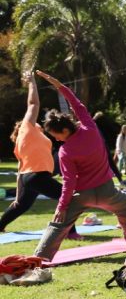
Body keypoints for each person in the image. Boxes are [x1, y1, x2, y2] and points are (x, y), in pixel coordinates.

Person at [31, 70, 126, 261]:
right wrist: (58, 84)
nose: (55, 139)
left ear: (64, 130)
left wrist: (61, 207)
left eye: (55, 135)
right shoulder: (90, 127)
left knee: (59, 223)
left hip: (82, 195)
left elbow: (69, 182)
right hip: (107, 192)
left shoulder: (65, 152)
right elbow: (76, 104)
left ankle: (40, 257)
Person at [0, 72, 80, 239]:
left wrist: (17, 194)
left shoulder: (32, 139)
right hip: (37, 176)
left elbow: (21, 168)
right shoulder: (27, 129)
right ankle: (70, 232)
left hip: (30, 177)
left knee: (21, 205)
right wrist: (32, 82)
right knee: (69, 199)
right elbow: (33, 103)